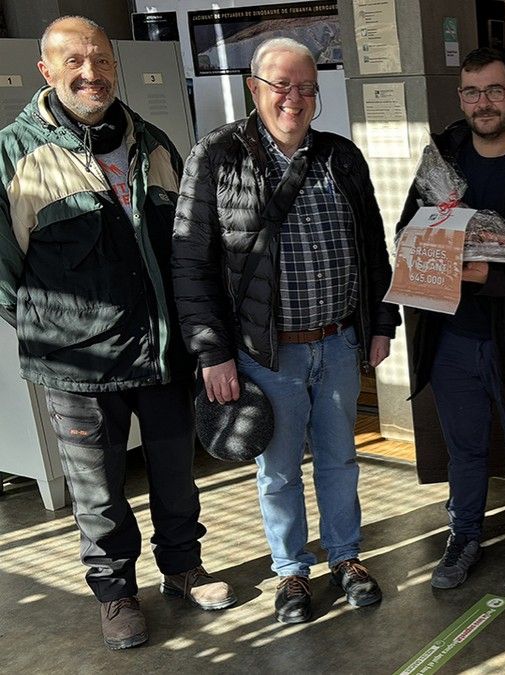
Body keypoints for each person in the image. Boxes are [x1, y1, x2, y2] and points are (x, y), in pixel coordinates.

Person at [0, 16, 234, 650]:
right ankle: (115, 593)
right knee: (97, 492)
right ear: (45, 71)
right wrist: (55, 330)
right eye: (73, 61)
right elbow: (5, 272)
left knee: (176, 474)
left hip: (160, 351)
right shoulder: (16, 152)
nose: (90, 73)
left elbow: (188, 252)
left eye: (100, 60)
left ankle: (183, 568)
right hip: (75, 368)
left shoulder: (153, 143)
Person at [172, 38, 398, 624]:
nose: (294, 98)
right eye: (280, 85)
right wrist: (211, 352)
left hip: (339, 342)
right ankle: (291, 570)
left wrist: (379, 322)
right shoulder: (216, 157)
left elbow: (372, 249)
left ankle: (346, 557)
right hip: (265, 353)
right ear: (254, 88)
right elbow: (190, 263)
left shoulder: (341, 157)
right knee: (277, 469)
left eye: (306, 88)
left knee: (339, 458)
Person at [396, 48, 505, 589]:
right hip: (452, 335)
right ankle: (464, 536)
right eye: (472, 92)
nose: (484, 103)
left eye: (495, 91)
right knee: (465, 448)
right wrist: (427, 255)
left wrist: (486, 276)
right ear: (462, 99)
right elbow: (409, 230)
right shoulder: (443, 158)